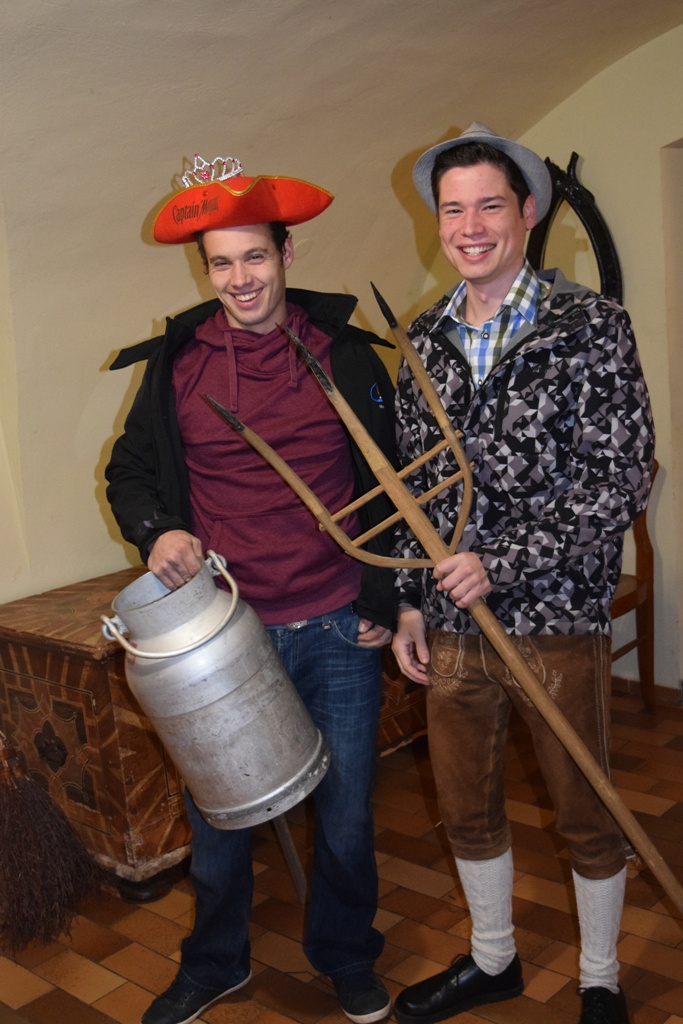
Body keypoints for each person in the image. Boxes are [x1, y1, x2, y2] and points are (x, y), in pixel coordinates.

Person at [105, 154, 396, 1024]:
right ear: (206, 271)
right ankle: (215, 962)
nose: (239, 279)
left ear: (286, 255)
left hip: (338, 618)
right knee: (219, 814)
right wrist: (159, 530)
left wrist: (386, 600)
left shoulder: (345, 355)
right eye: (221, 263)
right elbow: (129, 472)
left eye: (255, 257)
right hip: (224, 632)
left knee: (345, 814)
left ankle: (346, 954)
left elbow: (393, 490)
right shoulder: (177, 365)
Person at [390, 123, 654, 1024]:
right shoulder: (421, 339)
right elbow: (413, 488)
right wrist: (411, 603)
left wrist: (499, 563)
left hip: (555, 614)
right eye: (451, 210)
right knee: (464, 803)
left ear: (527, 212)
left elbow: (620, 476)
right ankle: (492, 959)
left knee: (583, 807)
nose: (469, 227)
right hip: (451, 623)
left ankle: (599, 977)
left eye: (488, 206)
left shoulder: (590, 326)